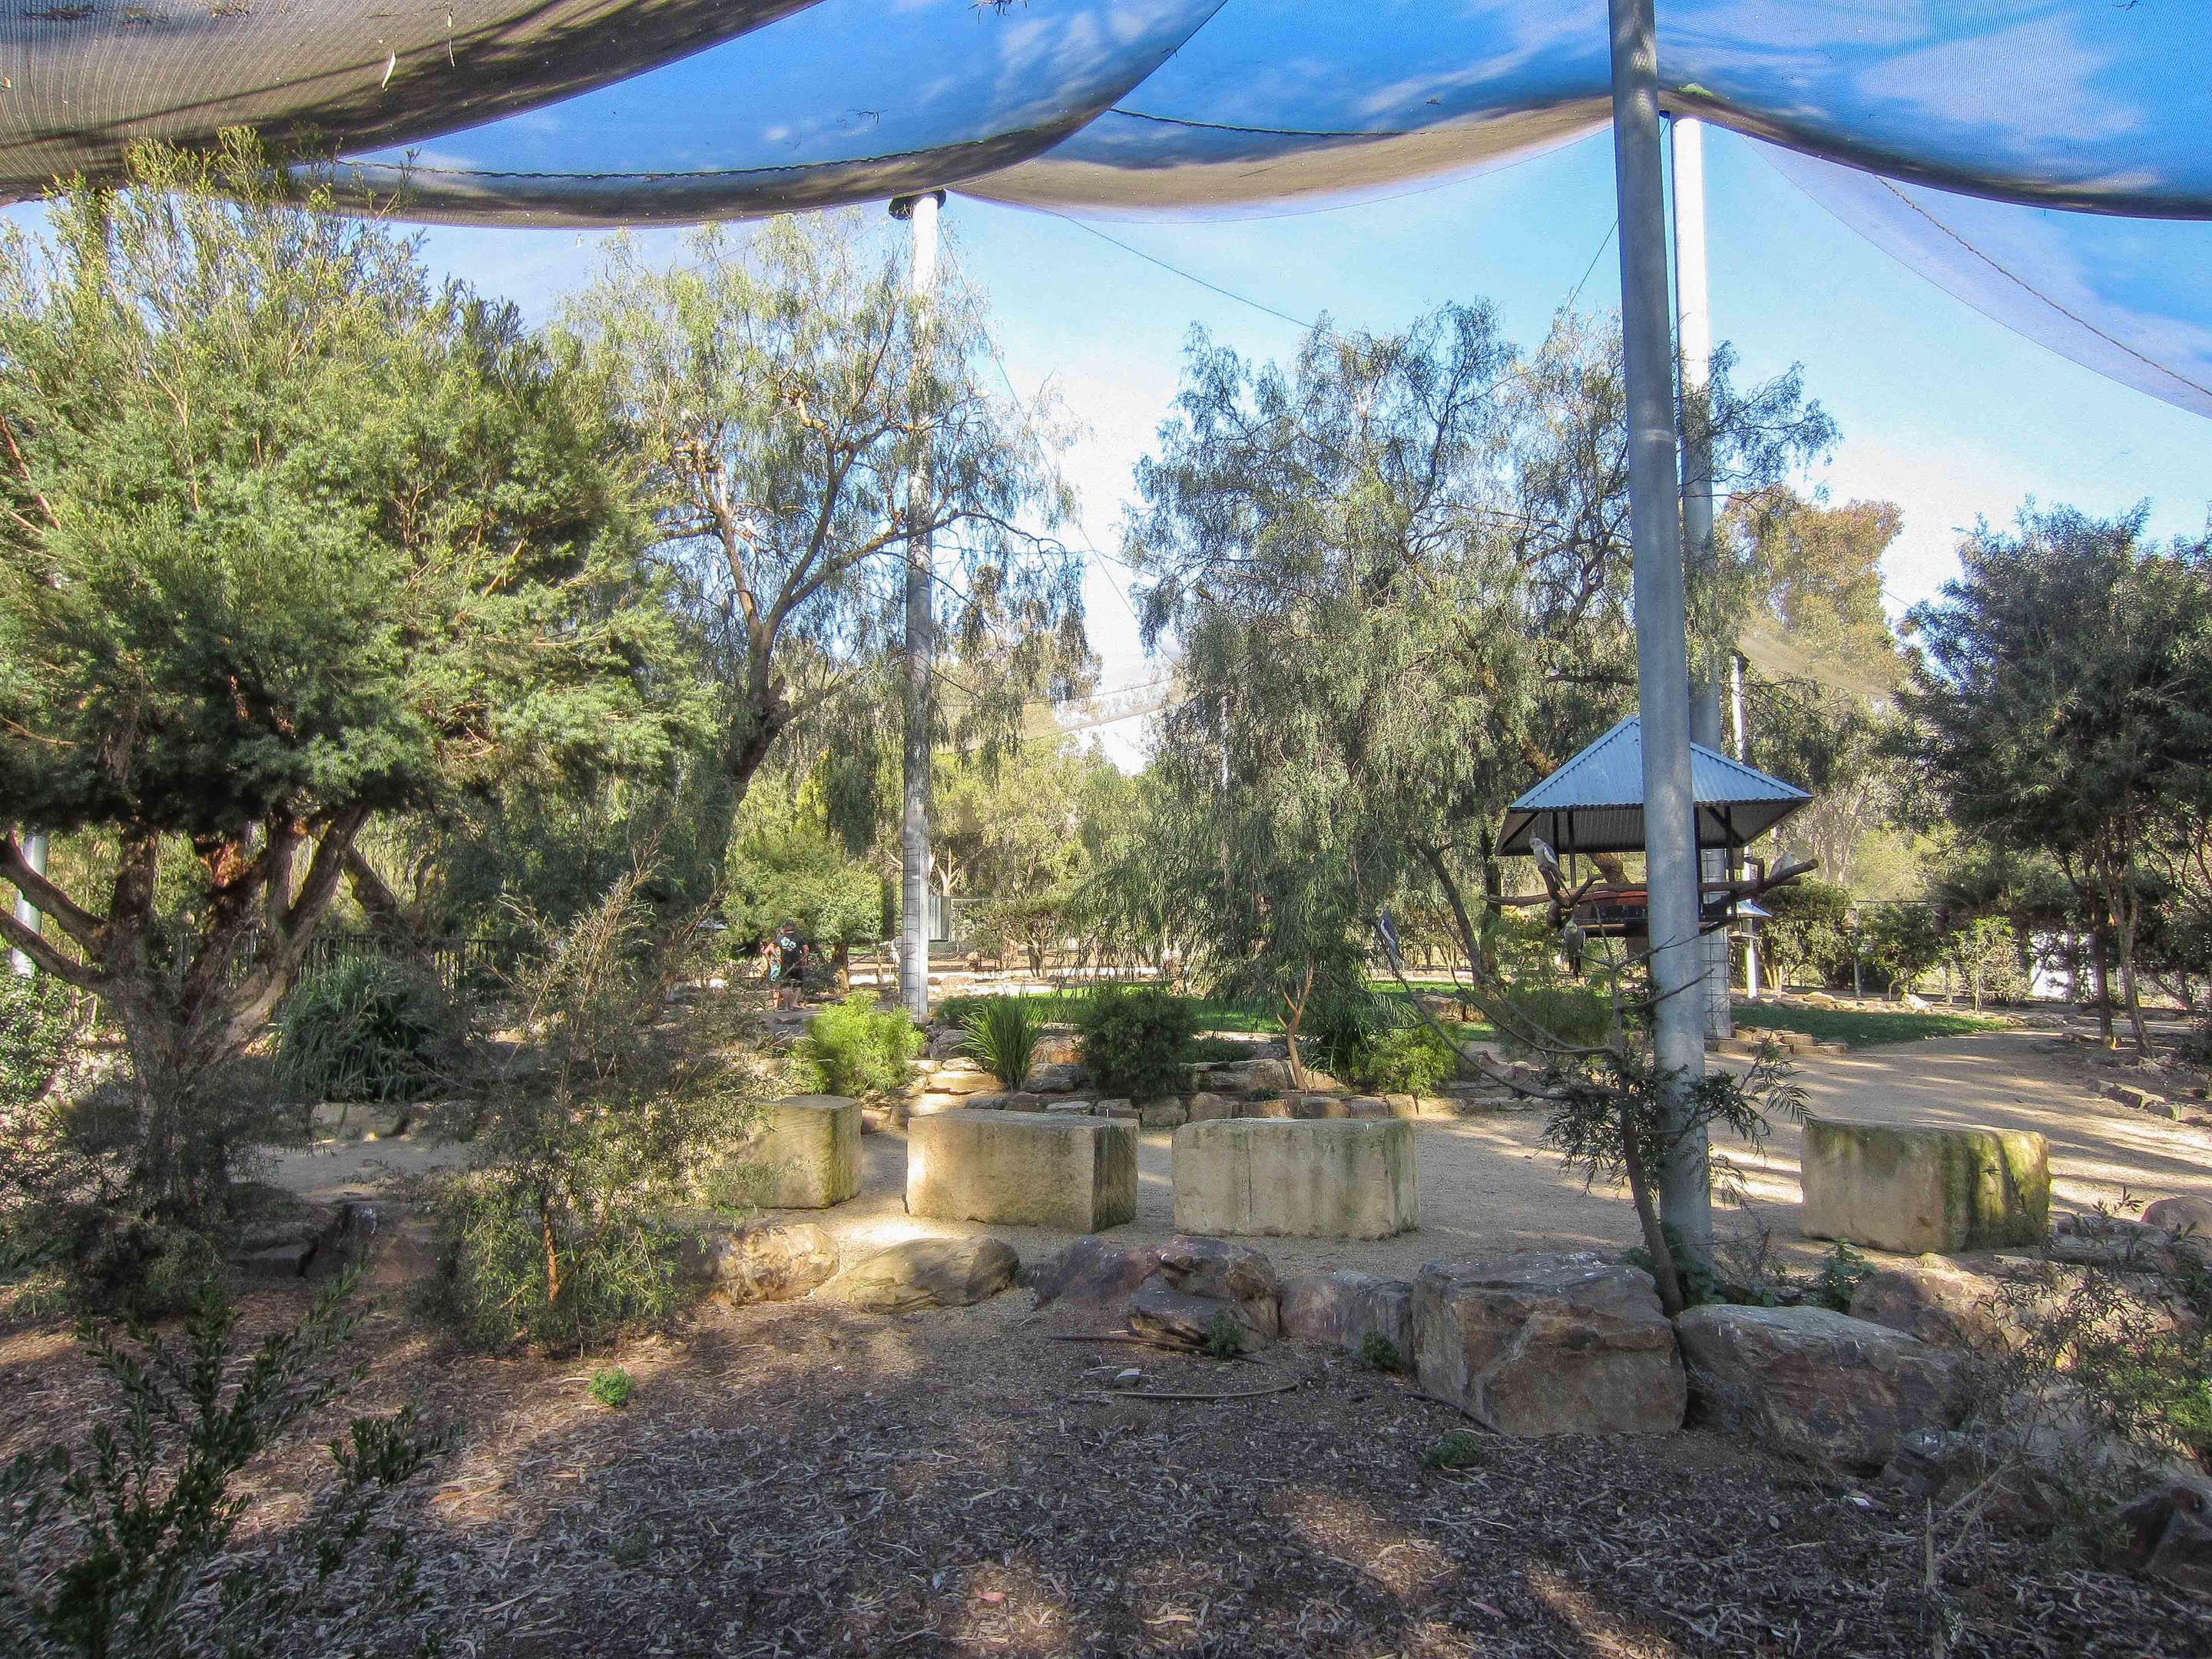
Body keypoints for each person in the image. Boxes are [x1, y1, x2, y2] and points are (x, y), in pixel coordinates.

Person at [773, 919, 806, 1011]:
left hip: (785, 964)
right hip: (796, 964)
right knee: (798, 984)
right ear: (794, 927)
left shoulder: (780, 938)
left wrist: (777, 957)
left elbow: (771, 947)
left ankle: (787, 1006)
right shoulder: (799, 937)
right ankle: (794, 1003)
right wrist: (803, 957)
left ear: (785, 927)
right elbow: (806, 949)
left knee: (785, 985)